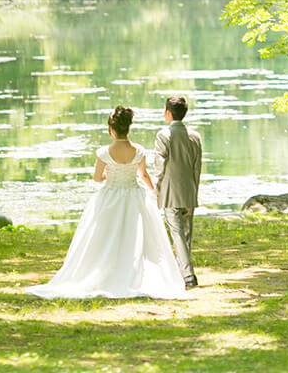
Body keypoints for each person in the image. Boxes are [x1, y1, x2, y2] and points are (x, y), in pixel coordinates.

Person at [26, 105, 186, 299]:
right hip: (134, 195)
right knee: (136, 237)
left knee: (104, 236)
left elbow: (97, 178)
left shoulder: (104, 152)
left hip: (111, 196)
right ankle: (134, 272)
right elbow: (143, 175)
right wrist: (153, 191)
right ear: (129, 128)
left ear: (112, 130)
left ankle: (105, 271)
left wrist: (106, 174)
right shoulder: (139, 151)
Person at [154, 94, 202, 289]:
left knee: (177, 233)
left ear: (167, 113)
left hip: (171, 192)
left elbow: (160, 167)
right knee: (186, 233)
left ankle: (188, 275)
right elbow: (197, 167)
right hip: (189, 189)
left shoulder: (163, 135)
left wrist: (156, 189)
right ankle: (183, 271)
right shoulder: (195, 136)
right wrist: (194, 189)